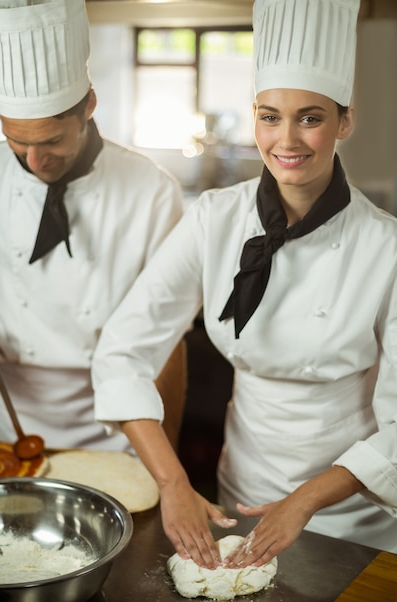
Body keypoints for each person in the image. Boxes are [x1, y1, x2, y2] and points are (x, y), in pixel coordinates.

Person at [91, 0, 397, 569]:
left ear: (345, 121)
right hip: (236, 499)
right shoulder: (214, 218)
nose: (287, 139)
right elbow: (122, 351)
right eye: (269, 115)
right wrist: (174, 483)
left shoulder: (387, 248)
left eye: (310, 117)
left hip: (355, 518)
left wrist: (304, 501)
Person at [0, 0, 185, 453]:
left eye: (52, 140)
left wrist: (163, 469)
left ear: (89, 105)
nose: (34, 161)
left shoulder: (152, 191)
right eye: (16, 141)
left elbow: (168, 343)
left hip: (112, 433)